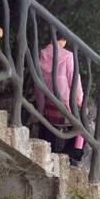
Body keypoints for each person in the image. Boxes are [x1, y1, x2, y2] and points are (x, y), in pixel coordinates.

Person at [35, 35, 85, 164]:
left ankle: (45, 153)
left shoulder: (41, 55)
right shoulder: (68, 56)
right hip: (65, 107)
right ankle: (72, 157)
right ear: (62, 40)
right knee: (81, 127)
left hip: (49, 106)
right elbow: (74, 82)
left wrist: (41, 109)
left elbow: (38, 86)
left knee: (47, 126)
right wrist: (80, 102)